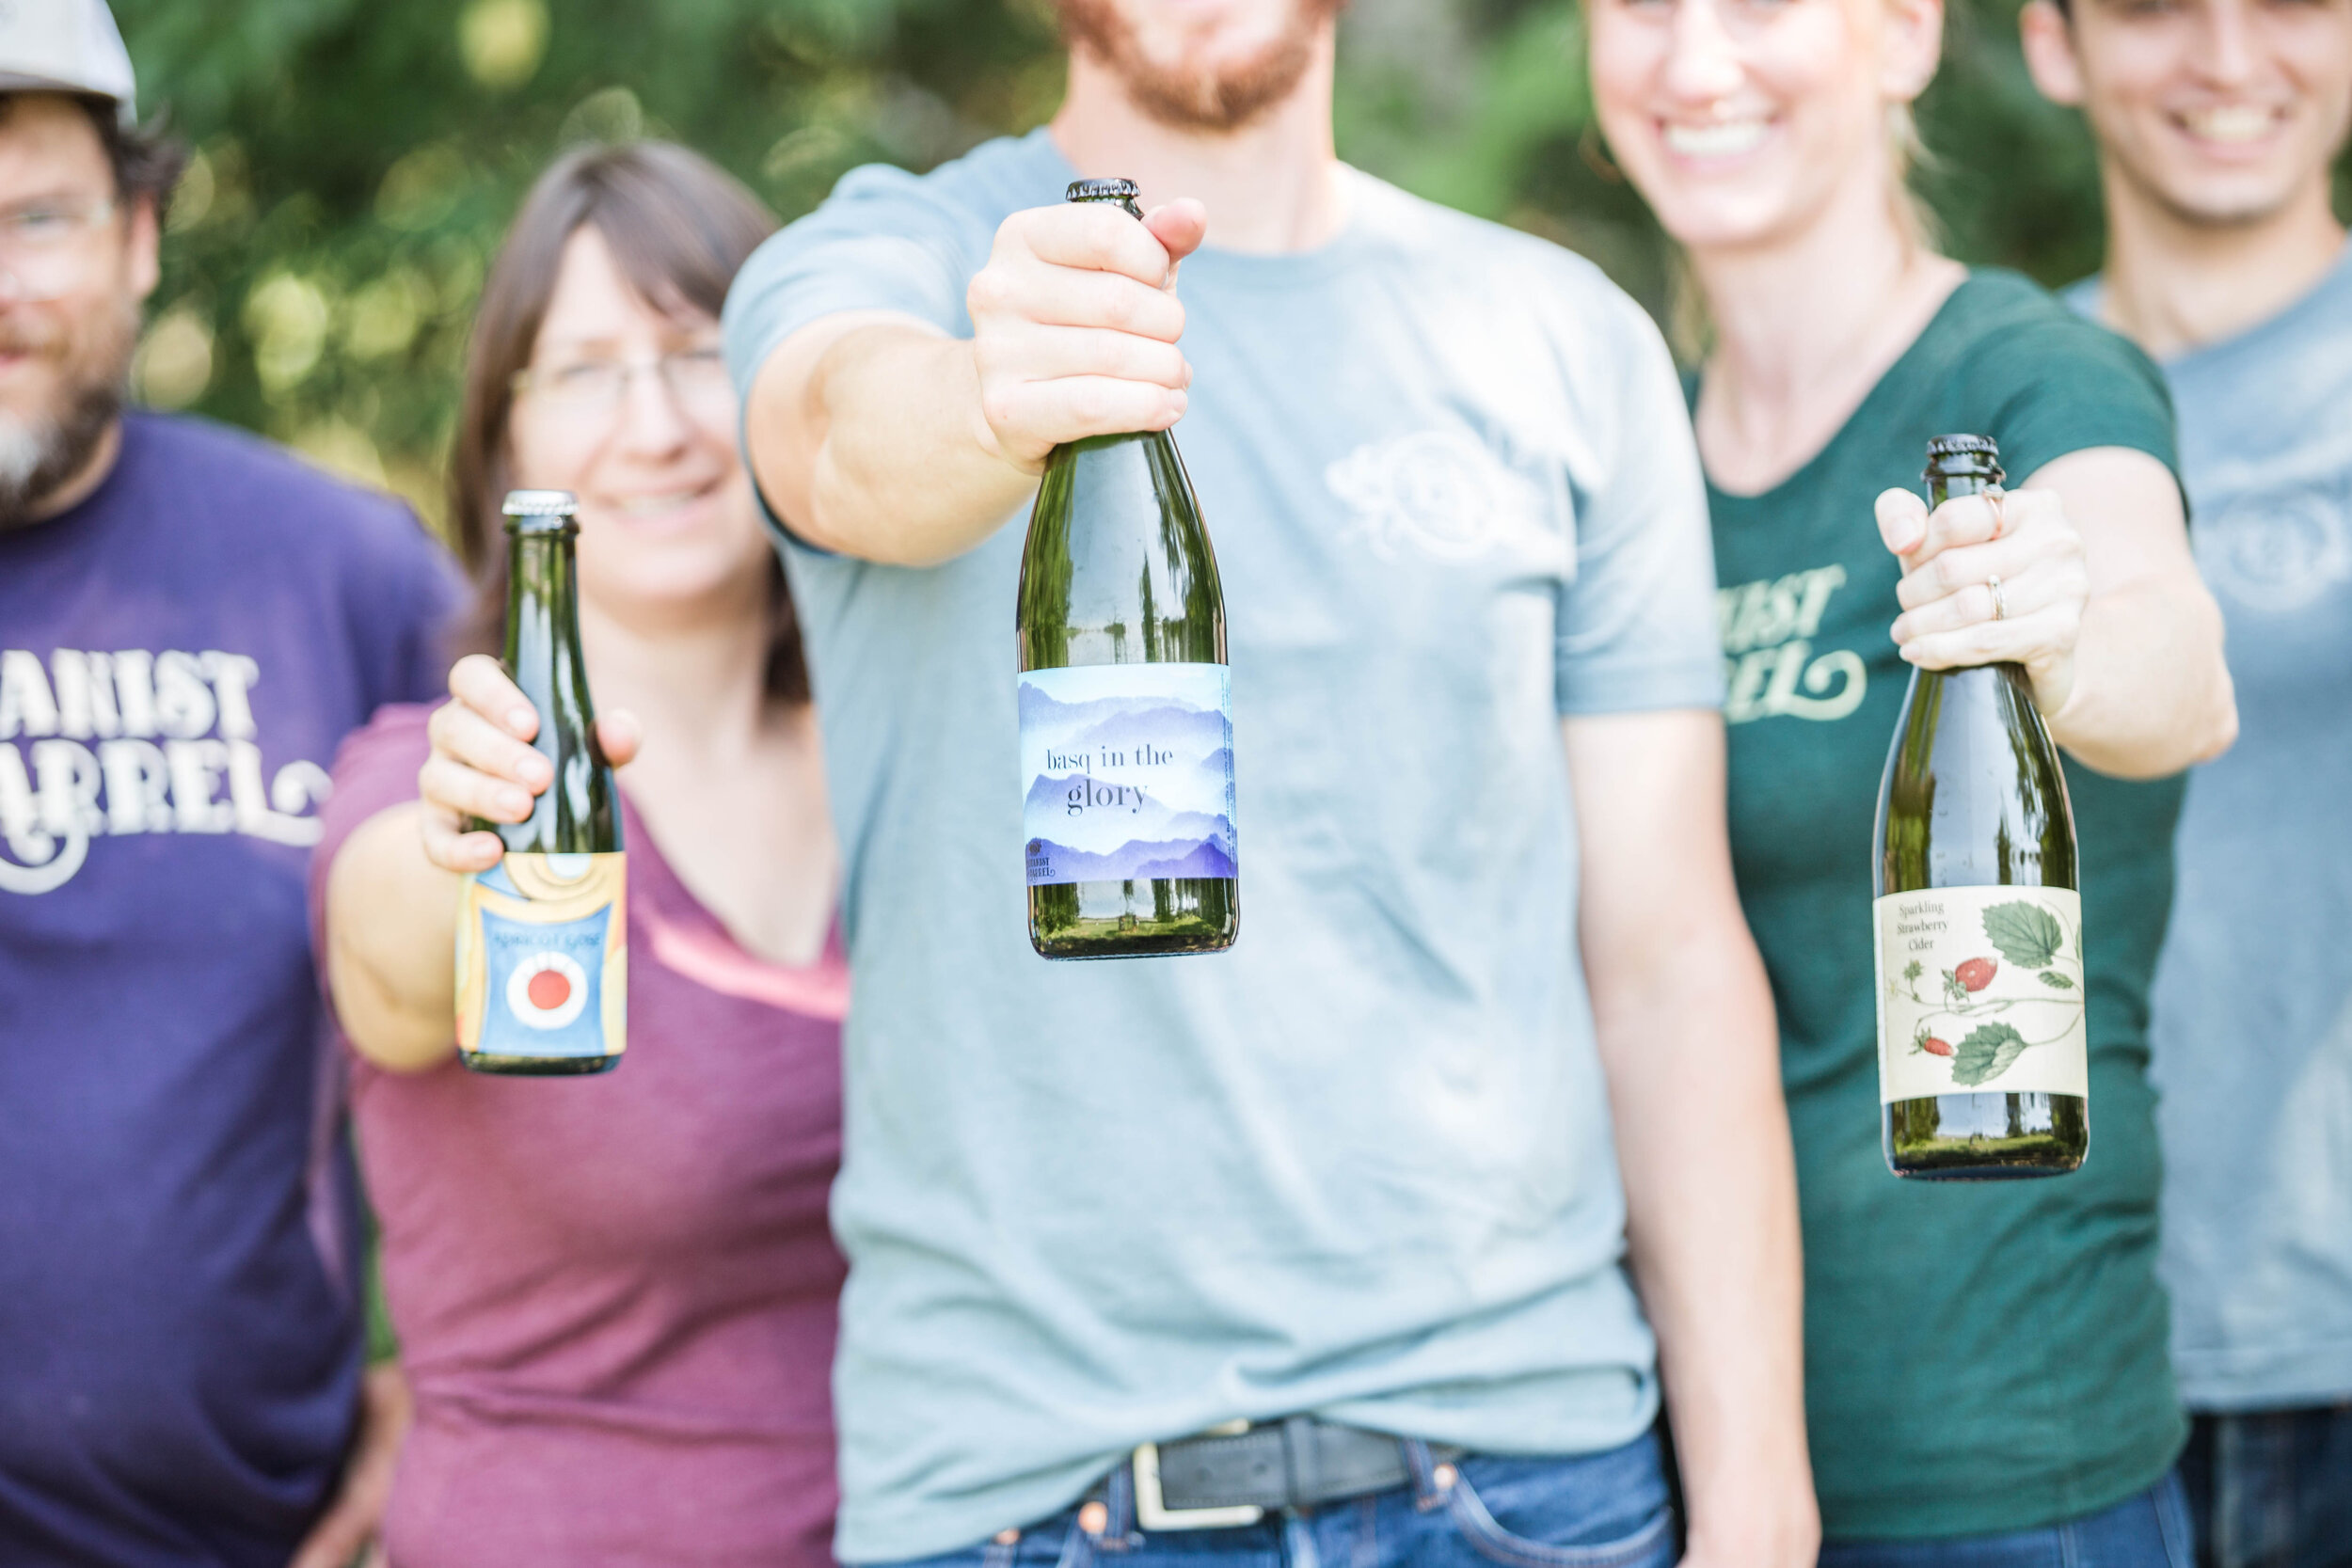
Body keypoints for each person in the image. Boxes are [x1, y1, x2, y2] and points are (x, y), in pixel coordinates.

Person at [717, 0, 1819, 1561]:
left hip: (1528, 1478)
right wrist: (992, 395)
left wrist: (1760, 1495)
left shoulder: (1563, 339)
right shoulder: (898, 259)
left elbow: (1666, 964)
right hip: (1034, 1504)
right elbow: (837, 436)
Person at [1583, 0, 2242, 1560]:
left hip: (2005, 1467)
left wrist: (2057, 641)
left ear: (1901, 33)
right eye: (1640, 9)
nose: (1694, 62)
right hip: (1670, 1468)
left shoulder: (2025, 378)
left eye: (1754, 7)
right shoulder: (1636, 456)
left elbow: (2176, 664)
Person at [311, 140, 846, 1567]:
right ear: (510, 444)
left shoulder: (908, 758)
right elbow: (392, 950)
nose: (656, 425)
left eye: (697, 355)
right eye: (588, 372)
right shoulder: (417, 779)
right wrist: (465, 838)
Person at [0, 3, 453, 1563]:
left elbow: (572, 947)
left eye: (37, 218)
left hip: (247, 1534)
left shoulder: (335, 573)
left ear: (136, 236)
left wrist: (452, 1392)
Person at [2020, 1, 2352, 1561]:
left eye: (2289, 2)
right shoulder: (1997, 413)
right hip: (2063, 1362)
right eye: (2157, 9)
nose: (2228, 60)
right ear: (2052, 43)